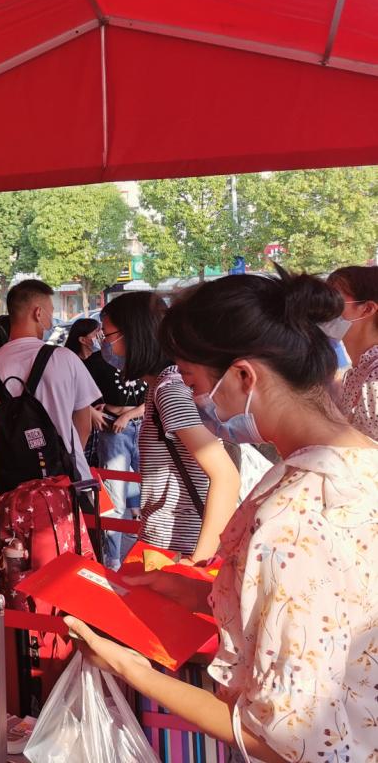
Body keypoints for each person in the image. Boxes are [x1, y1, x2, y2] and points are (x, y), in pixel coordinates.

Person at [68, 269, 378, 763]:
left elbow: (281, 740)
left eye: (193, 383)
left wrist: (132, 670)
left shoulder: (289, 515)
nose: (196, 403)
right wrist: (201, 593)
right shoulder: (361, 460)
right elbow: (326, 613)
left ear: (243, 377)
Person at [101, 291, 239, 563]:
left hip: (179, 548)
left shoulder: (169, 391)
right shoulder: (160, 387)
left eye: (107, 336)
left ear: (133, 335)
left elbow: (225, 476)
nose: (105, 347)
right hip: (165, 541)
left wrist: (198, 562)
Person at [0, 280, 100, 481]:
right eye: (51, 311)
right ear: (38, 313)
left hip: (15, 486)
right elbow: (84, 423)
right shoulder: (65, 358)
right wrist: (67, 458)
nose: (51, 319)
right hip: (67, 480)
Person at [66, 317, 146, 565]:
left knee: (150, 495)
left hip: (143, 426)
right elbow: (73, 393)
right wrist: (92, 411)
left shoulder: (144, 358)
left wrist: (129, 414)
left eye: (107, 331)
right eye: (101, 331)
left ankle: (149, 557)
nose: (102, 336)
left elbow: (155, 396)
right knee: (115, 498)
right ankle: (112, 560)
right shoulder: (95, 362)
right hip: (112, 429)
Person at [326, 265, 378, 437]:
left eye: (332, 301)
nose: (322, 310)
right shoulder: (359, 371)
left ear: (367, 309)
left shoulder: (375, 376)